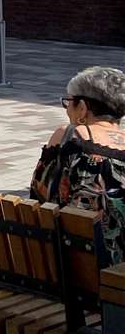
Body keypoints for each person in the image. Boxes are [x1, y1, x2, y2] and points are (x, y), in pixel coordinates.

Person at [30, 66, 125, 265]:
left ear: (82, 107)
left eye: (69, 102)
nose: (67, 109)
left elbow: (38, 194)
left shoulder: (68, 135)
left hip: (74, 263)